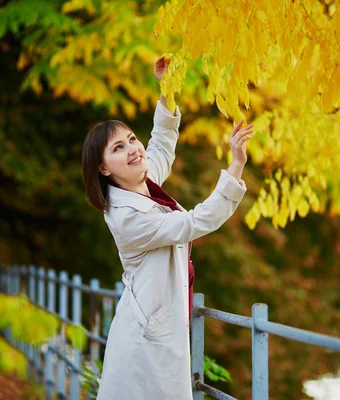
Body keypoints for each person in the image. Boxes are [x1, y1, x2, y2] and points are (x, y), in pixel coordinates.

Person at [81, 55, 254, 400]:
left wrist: (168, 90)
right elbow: (194, 222)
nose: (133, 149)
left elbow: (160, 145)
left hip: (156, 330)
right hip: (144, 343)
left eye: (131, 139)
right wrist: (235, 166)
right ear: (102, 168)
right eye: (118, 148)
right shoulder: (128, 217)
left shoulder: (140, 183)